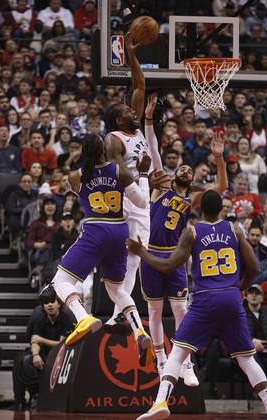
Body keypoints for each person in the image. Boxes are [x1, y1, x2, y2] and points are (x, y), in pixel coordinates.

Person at [127, 190, 267, 420]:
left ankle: (160, 402)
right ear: (222, 209)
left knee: (178, 352)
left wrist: (142, 253)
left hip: (206, 299)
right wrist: (239, 287)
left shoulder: (192, 231)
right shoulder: (235, 229)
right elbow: (253, 266)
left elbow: (169, 266)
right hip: (232, 298)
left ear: (200, 211)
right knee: (246, 358)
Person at [52, 134, 155, 368]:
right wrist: (144, 175)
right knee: (116, 289)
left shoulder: (75, 176)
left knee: (61, 281)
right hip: (119, 231)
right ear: (103, 150)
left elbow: (84, 192)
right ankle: (139, 331)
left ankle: (82, 318)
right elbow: (141, 203)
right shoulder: (120, 171)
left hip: (96, 228)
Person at [140, 132, 227, 385]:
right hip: (151, 253)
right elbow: (153, 148)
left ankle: (185, 363)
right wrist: (148, 123)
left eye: (190, 170)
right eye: (183, 168)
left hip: (175, 256)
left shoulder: (193, 198)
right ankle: (161, 360)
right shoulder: (160, 189)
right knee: (154, 312)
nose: (187, 171)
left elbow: (220, 188)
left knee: (181, 311)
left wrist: (219, 159)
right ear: (174, 172)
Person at [102, 32, 170, 334]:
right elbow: (119, 175)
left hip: (142, 193)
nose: (133, 110)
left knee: (135, 257)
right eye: (128, 111)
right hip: (124, 197)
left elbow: (140, 85)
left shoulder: (137, 132)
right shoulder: (113, 139)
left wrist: (132, 55)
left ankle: (118, 315)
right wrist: (144, 176)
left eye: (132, 108)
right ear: (119, 121)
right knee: (113, 256)